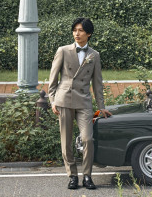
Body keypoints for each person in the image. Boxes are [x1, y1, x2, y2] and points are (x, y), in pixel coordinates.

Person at [48, 17, 111, 190]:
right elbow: (53, 80)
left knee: (88, 139)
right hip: (64, 100)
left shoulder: (94, 55)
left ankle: (88, 176)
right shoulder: (63, 50)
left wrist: (101, 107)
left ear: (88, 34)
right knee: (66, 141)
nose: (77, 33)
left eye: (81, 30)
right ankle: (72, 176)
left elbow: (97, 83)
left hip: (84, 101)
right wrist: (53, 100)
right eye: (75, 30)